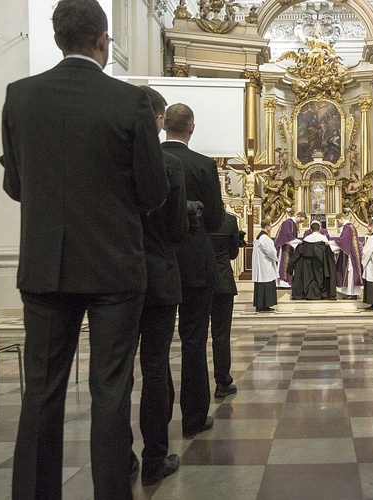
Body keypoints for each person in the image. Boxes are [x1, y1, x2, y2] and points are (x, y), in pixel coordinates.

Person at [1, 1, 170, 497]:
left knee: (42, 392)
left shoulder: (20, 95)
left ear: (57, 40)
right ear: (103, 41)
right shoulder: (130, 102)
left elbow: (15, 184)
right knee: (111, 391)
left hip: (45, 266)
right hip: (114, 266)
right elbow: (153, 190)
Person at [130, 85, 189, 486]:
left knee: (114, 372)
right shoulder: (169, 166)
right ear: (157, 119)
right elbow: (177, 230)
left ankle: (119, 457)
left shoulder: (111, 159)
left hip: (115, 276)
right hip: (159, 276)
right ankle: (154, 458)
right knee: (154, 369)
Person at [162, 103, 225, 439]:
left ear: (163, 126)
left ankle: (157, 425)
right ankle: (194, 418)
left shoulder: (149, 159)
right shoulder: (202, 165)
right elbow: (215, 220)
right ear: (191, 128)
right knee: (194, 340)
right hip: (196, 263)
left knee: (154, 348)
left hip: (157, 260)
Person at [209, 211, 240, 398]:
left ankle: (196, 389)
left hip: (197, 280)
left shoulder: (194, 218)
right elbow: (233, 254)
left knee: (193, 338)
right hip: (222, 282)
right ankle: (222, 381)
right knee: (221, 335)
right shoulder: (229, 220)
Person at [287, 220, 336, 300]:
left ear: (311, 229)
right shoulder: (324, 241)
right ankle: (322, 293)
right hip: (320, 267)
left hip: (306, 269)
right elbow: (330, 259)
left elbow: (296, 256)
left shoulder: (305, 241)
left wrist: (290, 267)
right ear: (319, 229)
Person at [331, 212, 363, 299]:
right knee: (350, 273)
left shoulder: (348, 227)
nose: (338, 223)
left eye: (338, 221)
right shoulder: (349, 227)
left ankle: (352, 294)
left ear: (342, 218)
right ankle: (350, 293)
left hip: (351, 254)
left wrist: (330, 244)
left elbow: (342, 241)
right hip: (351, 252)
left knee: (351, 273)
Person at [253, 219, 279, 312]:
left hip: (262, 264)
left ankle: (261, 305)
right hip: (265, 264)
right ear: (267, 226)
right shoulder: (265, 238)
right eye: (270, 226)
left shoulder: (258, 237)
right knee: (266, 283)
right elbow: (270, 251)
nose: (271, 227)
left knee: (261, 283)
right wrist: (276, 258)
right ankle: (264, 305)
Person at [274, 211, 306, 288]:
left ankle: (287, 281)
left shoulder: (294, 224)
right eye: (301, 220)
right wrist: (298, 242)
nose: (301, 223)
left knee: (288, 263)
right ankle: (282, 282)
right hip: (285, 247)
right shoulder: (287, 223)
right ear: (298, 216)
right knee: (284, 263)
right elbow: (287, 236)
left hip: (290, 247)